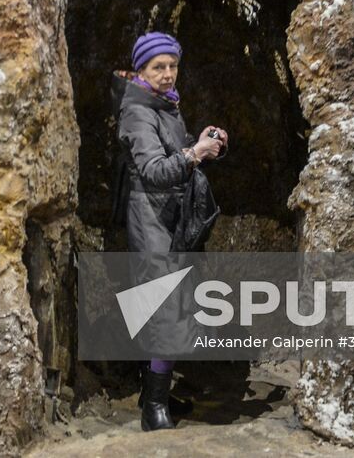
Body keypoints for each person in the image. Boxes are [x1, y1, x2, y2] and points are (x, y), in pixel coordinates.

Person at [116, 31, 227, 432]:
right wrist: (195, 153)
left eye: (172, 65)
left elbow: (174, 157)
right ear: (141, 71)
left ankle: (153, 394)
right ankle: (155, 409)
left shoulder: (165, 104)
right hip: (152, 219)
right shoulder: (137, 111)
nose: (167, 74)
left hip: (171, 217)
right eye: (157, 67)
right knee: (163, 310)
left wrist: (204, 145)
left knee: (171, 306)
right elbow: (154, 171)